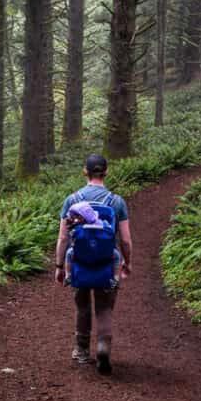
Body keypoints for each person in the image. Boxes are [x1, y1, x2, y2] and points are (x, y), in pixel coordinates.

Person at [55, 154, 132, 375]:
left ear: (85, 172)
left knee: (82, 305)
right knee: (104, 307)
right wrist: (127, 262)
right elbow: (125, 239)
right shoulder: (116, 202)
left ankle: (81, 351)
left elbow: (63, 238)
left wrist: (60, 266)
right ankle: (103, 347)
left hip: (79, 262)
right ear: (106, 172)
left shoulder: (72, 200)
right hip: (107, 263)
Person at [63, 201, 123, 288]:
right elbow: (110, 232)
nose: (75, 219)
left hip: (86, 251)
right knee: (116, 255)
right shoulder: (103, 224)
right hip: (100, 250)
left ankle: (68, 275)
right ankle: (116, 278)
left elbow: (72, 237)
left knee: (69, 253)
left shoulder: (78, 228)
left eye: (77, 216)